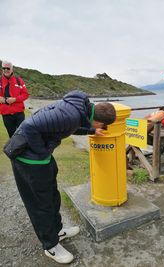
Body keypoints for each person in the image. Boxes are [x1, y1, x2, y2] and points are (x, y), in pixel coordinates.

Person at [6, 90, 116, 264]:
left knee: (52, 195)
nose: (100, 129)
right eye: (102, 126)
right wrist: (41, 153)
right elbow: (29, 127)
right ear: (99, 121)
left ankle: (57, 230)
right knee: (40, 204)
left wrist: (91, 132)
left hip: (41, 157)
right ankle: (50, 246)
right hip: (28, 159)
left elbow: (68, 126)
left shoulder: (80, 110)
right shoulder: (71, 115)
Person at [0, 60, 29, 137]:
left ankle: (23, 148)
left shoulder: (19, 80)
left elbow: (25, 94)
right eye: (4, 68)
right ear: (2, 69)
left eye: (8, 68)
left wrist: (15, 99)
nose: (6, 70)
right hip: (6, 114)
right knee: (12, 135)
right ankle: (14, 149)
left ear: (12, 69)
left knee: (23, 134)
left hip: (19, 113)